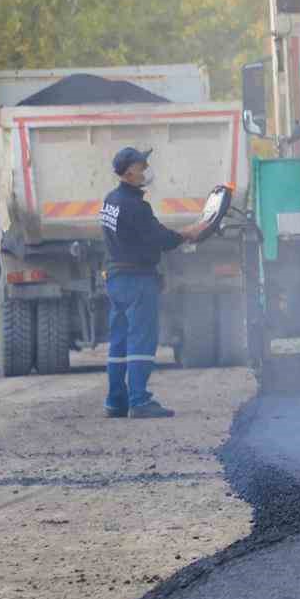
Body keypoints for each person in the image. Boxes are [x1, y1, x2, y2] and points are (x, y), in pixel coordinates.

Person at [99, 147, 208, 418]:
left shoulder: (110, 201)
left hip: (116, 279)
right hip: (137, 280)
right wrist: (190, 232)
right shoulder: (136, 206)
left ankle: (115, 401)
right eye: (142, 164)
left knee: (120, 341)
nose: (147, 169)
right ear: (129, 170)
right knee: (141, 340)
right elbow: (161, 238)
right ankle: (139, 400)